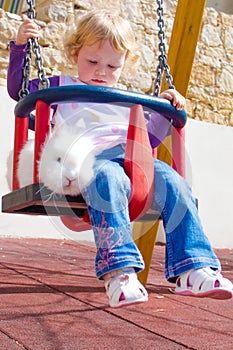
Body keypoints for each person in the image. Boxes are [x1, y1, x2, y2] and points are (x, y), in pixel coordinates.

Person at [7, 9, 232, 308]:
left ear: (125, 64)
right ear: (75, 53)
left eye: (113, 65)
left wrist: (167, 107)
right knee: (107, 178)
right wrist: (21, 47)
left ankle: (194, 268)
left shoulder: (128, 100)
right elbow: (17, 89)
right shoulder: (60, 84)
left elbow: (148, 140)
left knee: (174, 183)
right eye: (92, 62)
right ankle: (120, 272)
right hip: (86, 160)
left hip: (132, 162)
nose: (102, 71)